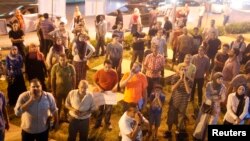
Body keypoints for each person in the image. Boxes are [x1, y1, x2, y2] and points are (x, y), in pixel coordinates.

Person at [193, 72, 226, 140]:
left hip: (216, 106)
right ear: (215, 78)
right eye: (219, 79)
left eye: (222, 79)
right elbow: (206, 95)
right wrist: (216, 97)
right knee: (203, 120)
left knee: (212, 122)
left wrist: (215, 98)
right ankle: (198, 135)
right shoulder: (209, 84)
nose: (221, 80)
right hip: (207, 105)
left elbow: (223, 98)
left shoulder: (223, 87)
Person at [165, 66, 192, 137]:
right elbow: (173, 88)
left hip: (183, 101)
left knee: (181, 116)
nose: (183, 71)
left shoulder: (189, 80)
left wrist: (184, 80)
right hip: (175, 99)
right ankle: (169, 130)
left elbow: (188, 91)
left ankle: (178, 128)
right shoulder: (175, 77)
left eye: (185, 70)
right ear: (179, 70)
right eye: (182, 69)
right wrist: (180, 79)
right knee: (171, 115)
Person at [93, 60, 118, 130]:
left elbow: (116, 83)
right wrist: (99, 88)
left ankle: (107, 123)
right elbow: (94, 81)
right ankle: (98, 123)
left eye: (109, 67)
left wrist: (115, 87)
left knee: (108, 109)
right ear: (103, 65)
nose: (107, 69)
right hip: (100, 92)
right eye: (106, 67)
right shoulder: (99, 72)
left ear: (111, 67)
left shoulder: (114, 73)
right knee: (100, 109)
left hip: (110, 93)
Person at [51, 54, 76, 122]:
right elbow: (52, 79)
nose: (62, 61)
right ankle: (57, 117)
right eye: (61, 60)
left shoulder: (71, 67)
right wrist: (53, 91)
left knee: (67, 104)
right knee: (57, 105)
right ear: (59, 60)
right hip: (58, 90)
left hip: (68, 90)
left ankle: (65, 116)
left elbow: (74, 79)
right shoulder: (55, 67)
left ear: (66, 59)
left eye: (64, 60)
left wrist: (73, 89)